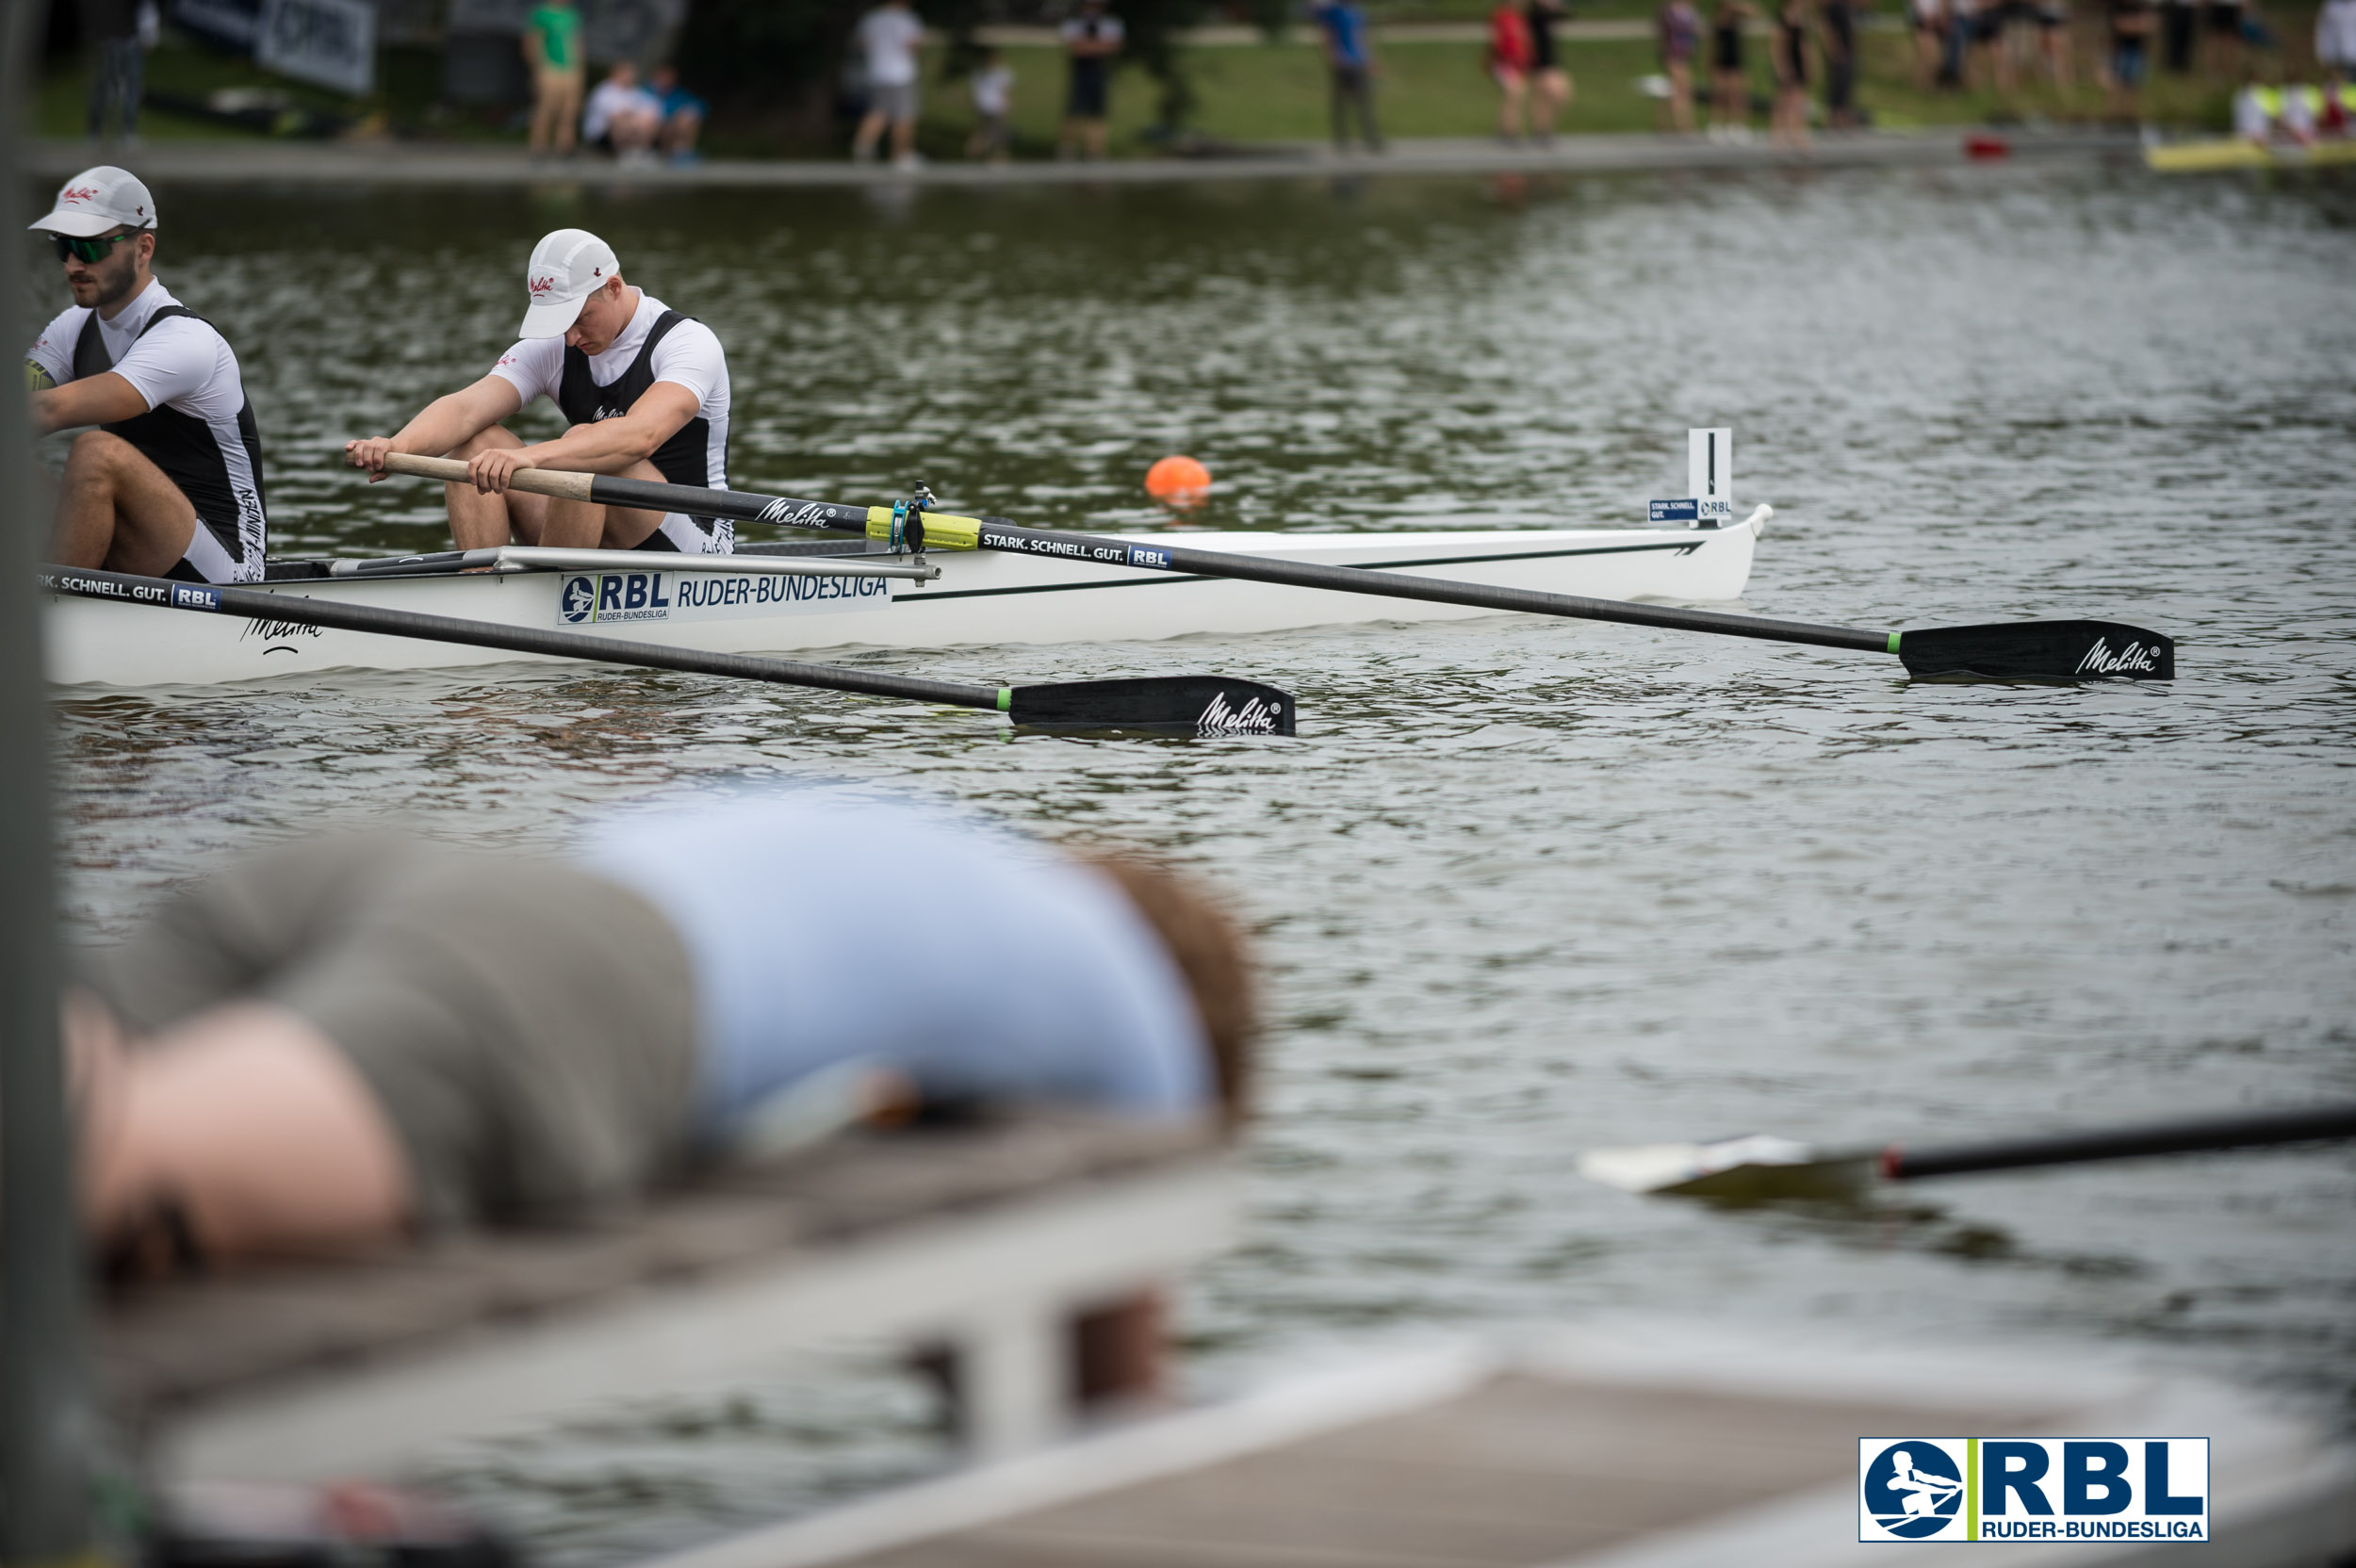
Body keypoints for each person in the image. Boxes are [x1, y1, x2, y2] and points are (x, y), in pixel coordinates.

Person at [68, 789, 1253, 1266]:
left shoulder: (967, 862)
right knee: (103, 1171)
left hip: (426, 877)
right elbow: (1117, 1400)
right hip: (570, 979)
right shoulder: (1144, 1022)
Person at [343, 228, 733, 555]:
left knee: (583, 446)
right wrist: (398, 445)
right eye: (560, 322)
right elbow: (465, 409)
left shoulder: (688, 343)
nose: (570, 336)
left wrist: (528, 459)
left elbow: (639, 437)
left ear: (613, 287)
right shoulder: (559, 346)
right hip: (588, 528)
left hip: (696, 541)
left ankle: (552, 595)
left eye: (580, 319)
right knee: (476, 443)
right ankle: (483, 591)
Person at [23, 167, 268, 583]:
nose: (73, 264)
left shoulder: (185, 340)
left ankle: (55, 613)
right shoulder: (72, 327)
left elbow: (44, 411)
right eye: (63, 247)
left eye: (90, 247)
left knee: (97, 451)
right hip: (138, 540)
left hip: (227, 564)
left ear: (143, 247)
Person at [852, 0, 924, 168]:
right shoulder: (908, 19)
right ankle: (901, 156)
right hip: (901, 73)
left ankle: (863, 146)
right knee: (904, 116)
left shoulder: (872, 18)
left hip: (877, 72)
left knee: (878, 112)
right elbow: (914, 44)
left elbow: (861, 43)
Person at [1312, 0, 1383, 153]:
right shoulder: (1334, 12)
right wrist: (1333, 56)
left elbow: (1362, 37)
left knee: (1364, 101)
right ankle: (1342, 141)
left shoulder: (1358, 12)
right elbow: (1327, 34)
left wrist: (1371, 60)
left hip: (1359, 61)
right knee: (1342, 103)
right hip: (1343, 61)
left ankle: (1371, 138)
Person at [1058, 0, 1124, 161]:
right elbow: (1075, 49)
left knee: (1098, 112)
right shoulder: (1074, 24)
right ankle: (1067, 149)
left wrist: (1089, 46)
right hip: (1080, 72)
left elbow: (1114, 46)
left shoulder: (1111, 24)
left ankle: (1095, 150)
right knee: (1073, 110)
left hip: (1099, 72)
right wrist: (1099, 46)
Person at [524, 0, 584, 157]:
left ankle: (564, 147)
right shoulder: (542, 13)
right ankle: (538, 147)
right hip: (550, 67)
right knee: (546, 107)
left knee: (570, 110)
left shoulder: (572, 14)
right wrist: (538, 68)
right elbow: (532, 41)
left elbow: (576, 41)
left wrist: (579, 66)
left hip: (571, 68)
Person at [85, 0, 146, 147]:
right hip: (110, 40)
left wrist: (147, 34)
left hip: (132, 39)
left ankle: (127, 132)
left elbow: (144, 9)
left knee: (131, 87)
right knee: (104, 86)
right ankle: (95, 133)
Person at [583, 60, 663, 161]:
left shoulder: (635, 92)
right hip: (601, 135)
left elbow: (653, 110)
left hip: (632, 127)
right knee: (621, 122)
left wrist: (641, 119)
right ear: (616, 73)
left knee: (648, 121)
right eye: (627, 72)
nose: (631, 75)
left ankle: (640, 152)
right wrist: (636, 118)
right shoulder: (604, 91)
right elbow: (614, 115)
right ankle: (623, 153)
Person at [1527, 0, 1574, 142]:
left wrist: (1557, 7)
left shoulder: (1547, 15)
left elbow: (1567, 16)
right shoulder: (1534, 15)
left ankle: (1543, 130)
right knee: (1548, 97)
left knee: (1556, 97)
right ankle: (1542, 131)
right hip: (1540, 63)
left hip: (1552, 62)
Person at [1488, 0, 1535, 141]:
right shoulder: (1500, 16)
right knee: (1513, 91)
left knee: (1517, 94)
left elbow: (1525, 42)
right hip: (1504, 63)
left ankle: (1510, 129)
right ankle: (1508, 131)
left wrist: (1526, 60)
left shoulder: (1520, 18)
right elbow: (1495, 40)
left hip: (1518, 63)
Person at [1771, 0, 1811, 145]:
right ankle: (1777, 136)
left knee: (1799, 100)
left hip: (1798, 61)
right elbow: (1777, 45)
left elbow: (1803, 44)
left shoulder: (1801, 17)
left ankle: (1798, 134)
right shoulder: (1784, 17)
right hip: (1788, 62)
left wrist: (1807, 64)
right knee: (1783, 100)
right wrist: (1781, 66)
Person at [1710, 0, 1752, 139]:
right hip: (1720, 61)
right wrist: (1711, 65)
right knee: (1720, 95)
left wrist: (1737, 5)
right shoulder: (1718, 20)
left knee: (1737, 95)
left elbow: (1755, 12)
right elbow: (1712, 44)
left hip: (1735, 61)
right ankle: (1717, 126)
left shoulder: (1737, 18)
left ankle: (1736, 126)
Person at [647, 65, 706, 164]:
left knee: (687, 119)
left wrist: (686, 113)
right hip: (653, 124)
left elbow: (700, 105)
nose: (666, 80)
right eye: (664, 77)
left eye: (670, 77)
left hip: (673, 124)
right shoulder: (645, 91)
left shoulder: (678, 93)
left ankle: (683, 151)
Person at [1659, 0, 1703, 129]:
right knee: (1680, 89)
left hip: (1685, 54)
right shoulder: (1670, 11)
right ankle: (1683, 124)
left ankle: (1664, 123)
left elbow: (1696, 30)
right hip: (1673, 53)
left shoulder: (1689, 11)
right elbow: (1666, 32)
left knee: (1678, 89)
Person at [2106, 0, 2153, 118]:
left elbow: (2149, 25)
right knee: (2117, 83)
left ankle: (2131, 114)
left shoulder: (2141, 6)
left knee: (2135, 85)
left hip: (2138, 50)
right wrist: (2137, 25)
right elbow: (2121, 26)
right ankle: (2115, 114)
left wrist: (2131, 25)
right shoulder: (2118, 6)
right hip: (2121, 50)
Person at [967, 46, 1015, 162]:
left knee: (996, 135)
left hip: (996, 108)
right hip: (985, 108)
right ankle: (978, 152)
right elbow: (976, 92)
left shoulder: (1002, 73)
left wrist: (1007, 105)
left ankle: (996, 157)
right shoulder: (979, 73)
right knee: (987, 134)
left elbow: (1006, 91)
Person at [1821, 0, 1857, 125]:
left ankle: (1842, 120)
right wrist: (1835, 51)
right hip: (1840, 54)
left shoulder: (1844, 6)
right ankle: (1833, 121)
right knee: (1837, 89)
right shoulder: (1833, 8)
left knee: (1845, 88)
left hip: (1847, 52)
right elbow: (1829, 30)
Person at [1909, 0, 1946, 88]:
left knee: (1933, 57)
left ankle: (1927, 84)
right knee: (1925, 55)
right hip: (1922, 20)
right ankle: (1921, 84)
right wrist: (1924, 17)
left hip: (1934, 21)